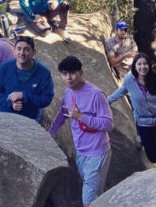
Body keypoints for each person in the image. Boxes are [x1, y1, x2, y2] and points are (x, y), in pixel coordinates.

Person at [49, 56, 113, 207]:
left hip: (97, 152)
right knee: (95, 189)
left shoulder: (96, 94)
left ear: (81, 72)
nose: (68, 77)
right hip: (81, 151)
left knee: (87, 200)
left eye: (72, 73)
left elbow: (109, 124)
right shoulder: (68, 93)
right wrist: (51, 132)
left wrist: (81, 117)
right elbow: (63, 113)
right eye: (64, 74)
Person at [107, 53, 156, 163]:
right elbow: (121, 91)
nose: (142, 67)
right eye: (139, 64)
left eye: (145, 64)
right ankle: (141, 139)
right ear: (134, 66)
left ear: (149, 65)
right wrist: (106, 101)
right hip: (142, 123)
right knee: (152, 157)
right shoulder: (130, 80)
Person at [0, 36, 54, 121]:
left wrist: (24, 95)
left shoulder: (44, 73)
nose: (22, 53)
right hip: (5, 114)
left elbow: (46, 99)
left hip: (29, 117)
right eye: (19, 49)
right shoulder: (5, 67)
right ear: (14, 51)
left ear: (34, 52)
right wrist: (10, 103)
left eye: (27, 49)